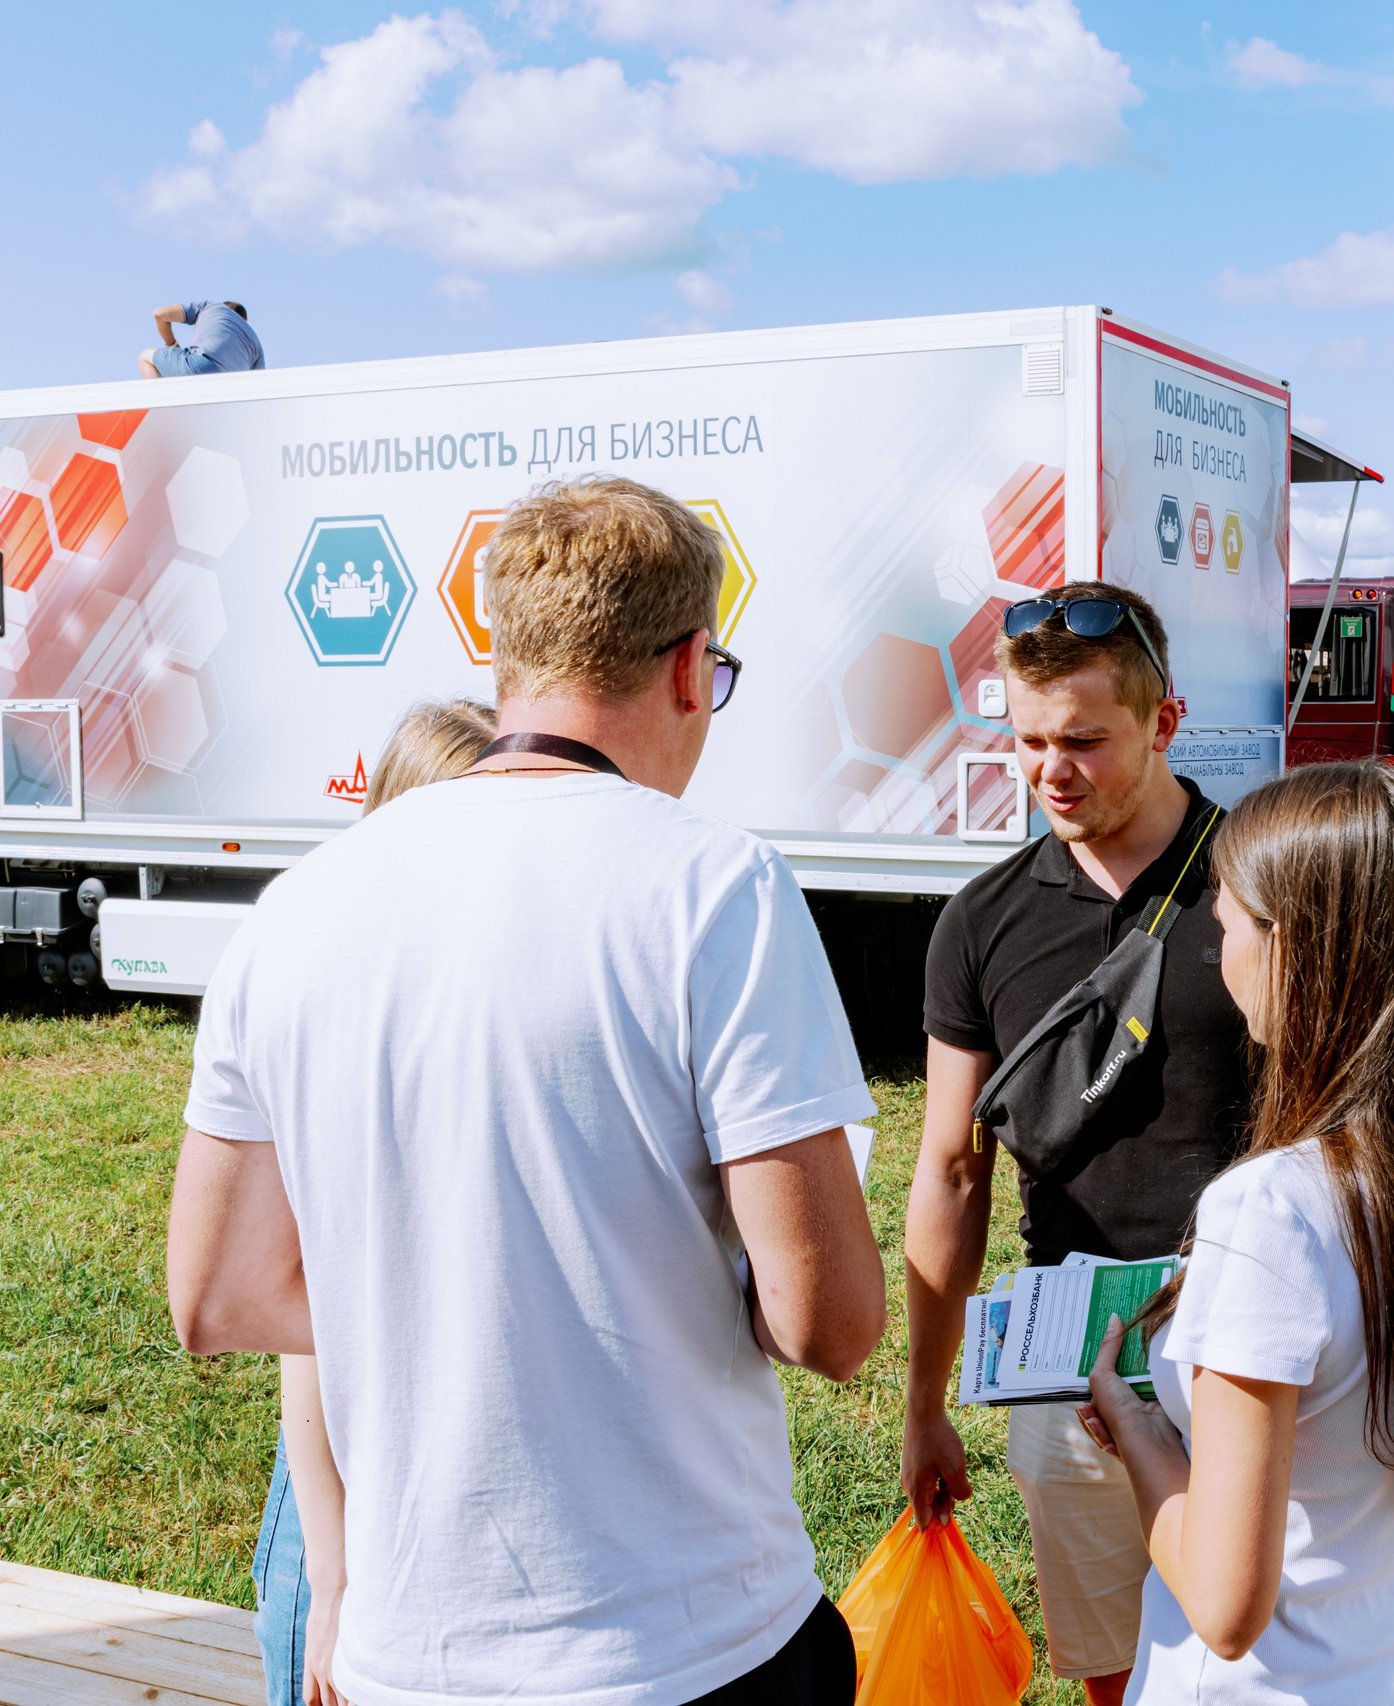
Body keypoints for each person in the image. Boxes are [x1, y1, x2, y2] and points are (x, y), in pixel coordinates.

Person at [167, 476, 885, 1705]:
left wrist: (434, 1302)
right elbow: (830, 1322)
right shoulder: (717, 887)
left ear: (507, 656)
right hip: (685, 1639)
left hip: (408, 1653)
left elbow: (215, 1295)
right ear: (688, 666)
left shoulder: (296, 908)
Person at [1077, 761, 1394, 1706]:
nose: (1216, 954)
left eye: (1226, 926)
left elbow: (1226, 1608)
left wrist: (1135, 1427)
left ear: (1292, 949)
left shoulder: (1270, 1211)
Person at [903, 581, 1252, 1704]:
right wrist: (924, 1403)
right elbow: (952, 1168)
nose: (1052, 771)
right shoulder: (981, 920)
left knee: (1261, 1653)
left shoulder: (1261, 884)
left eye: (1086, 741)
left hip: (1247, 1334)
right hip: (1067, 1350)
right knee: (1113, 1669)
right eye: (1029, 741)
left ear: (1164, 721)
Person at [250, 697, 496, 1706]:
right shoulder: (349, 1020)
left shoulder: (484, 1003)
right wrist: (334, 1574)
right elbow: (307, 1331)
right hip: (340, 1492)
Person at [139, 300, 265, 378]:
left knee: (145, 356)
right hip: (228, 387)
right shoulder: (255, 341)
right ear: (245, 320)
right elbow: (260, 382)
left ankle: (157, 408)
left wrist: (172, 345)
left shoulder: (211, 307)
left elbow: (159, 314)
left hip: (200, 366)